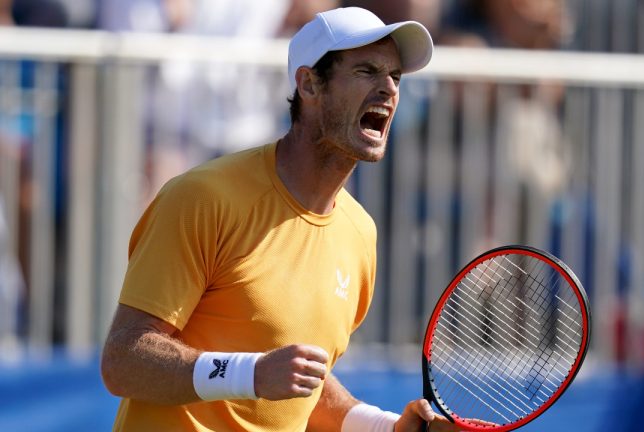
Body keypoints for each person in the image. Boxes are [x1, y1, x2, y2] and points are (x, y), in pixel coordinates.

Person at [101, 6, 459, 431]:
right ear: (309, 84)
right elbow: (124, 359)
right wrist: (250, 375)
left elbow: (303, 386)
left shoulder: (361, 234)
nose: (388, 88)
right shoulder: (202, 197)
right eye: (366, 71)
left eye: (395, 77)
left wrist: (387, 427)